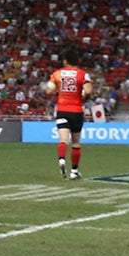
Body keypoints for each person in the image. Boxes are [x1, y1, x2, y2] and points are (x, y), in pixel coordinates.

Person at [49, 47, 93, 179]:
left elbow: (49, 90)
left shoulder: (57, 74)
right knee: (75, 141)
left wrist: (58, 91)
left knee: (63, 140)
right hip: (77, 111)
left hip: (62, 110)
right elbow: (88, 91)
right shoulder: (83, 74)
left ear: (65, 61)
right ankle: (74, 172)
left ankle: (61, 159)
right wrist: (84, 96)